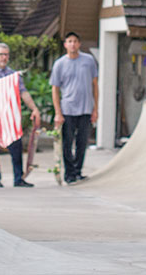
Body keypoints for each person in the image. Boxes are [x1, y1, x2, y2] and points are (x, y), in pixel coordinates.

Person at [0, 42, 41, 188]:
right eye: (1, 54)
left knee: (16, 147)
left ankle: (18, 178)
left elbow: (23, 92)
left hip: (9, 117)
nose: (4, 57)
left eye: (6, 54)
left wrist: (34, 108)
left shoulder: (13, 75)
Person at [50, 31, 98, 183]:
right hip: (68, 109)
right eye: (69, 41)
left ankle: (78, 171)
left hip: (85, 108)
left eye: (75, 41)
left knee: (82, 142)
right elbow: (55, 89)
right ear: (65, 45)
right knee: (67, 142)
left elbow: (95, 84)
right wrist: (58, 112)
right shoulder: (59, 64)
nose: (72, 44)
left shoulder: (89, 60)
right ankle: (69, 174)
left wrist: (95, 108)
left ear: (79, 44)